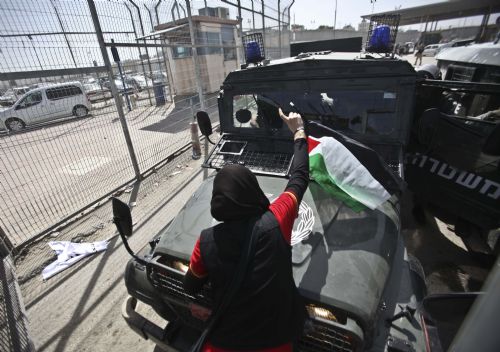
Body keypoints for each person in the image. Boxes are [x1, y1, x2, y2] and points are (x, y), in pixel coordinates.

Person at [183, 108, 309, 352]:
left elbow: (191, 286)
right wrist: (299, 131)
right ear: (252, 189)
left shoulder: (207, 241)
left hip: (223, 344)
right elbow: (300, 177)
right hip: (276, 343)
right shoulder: (278, 218)